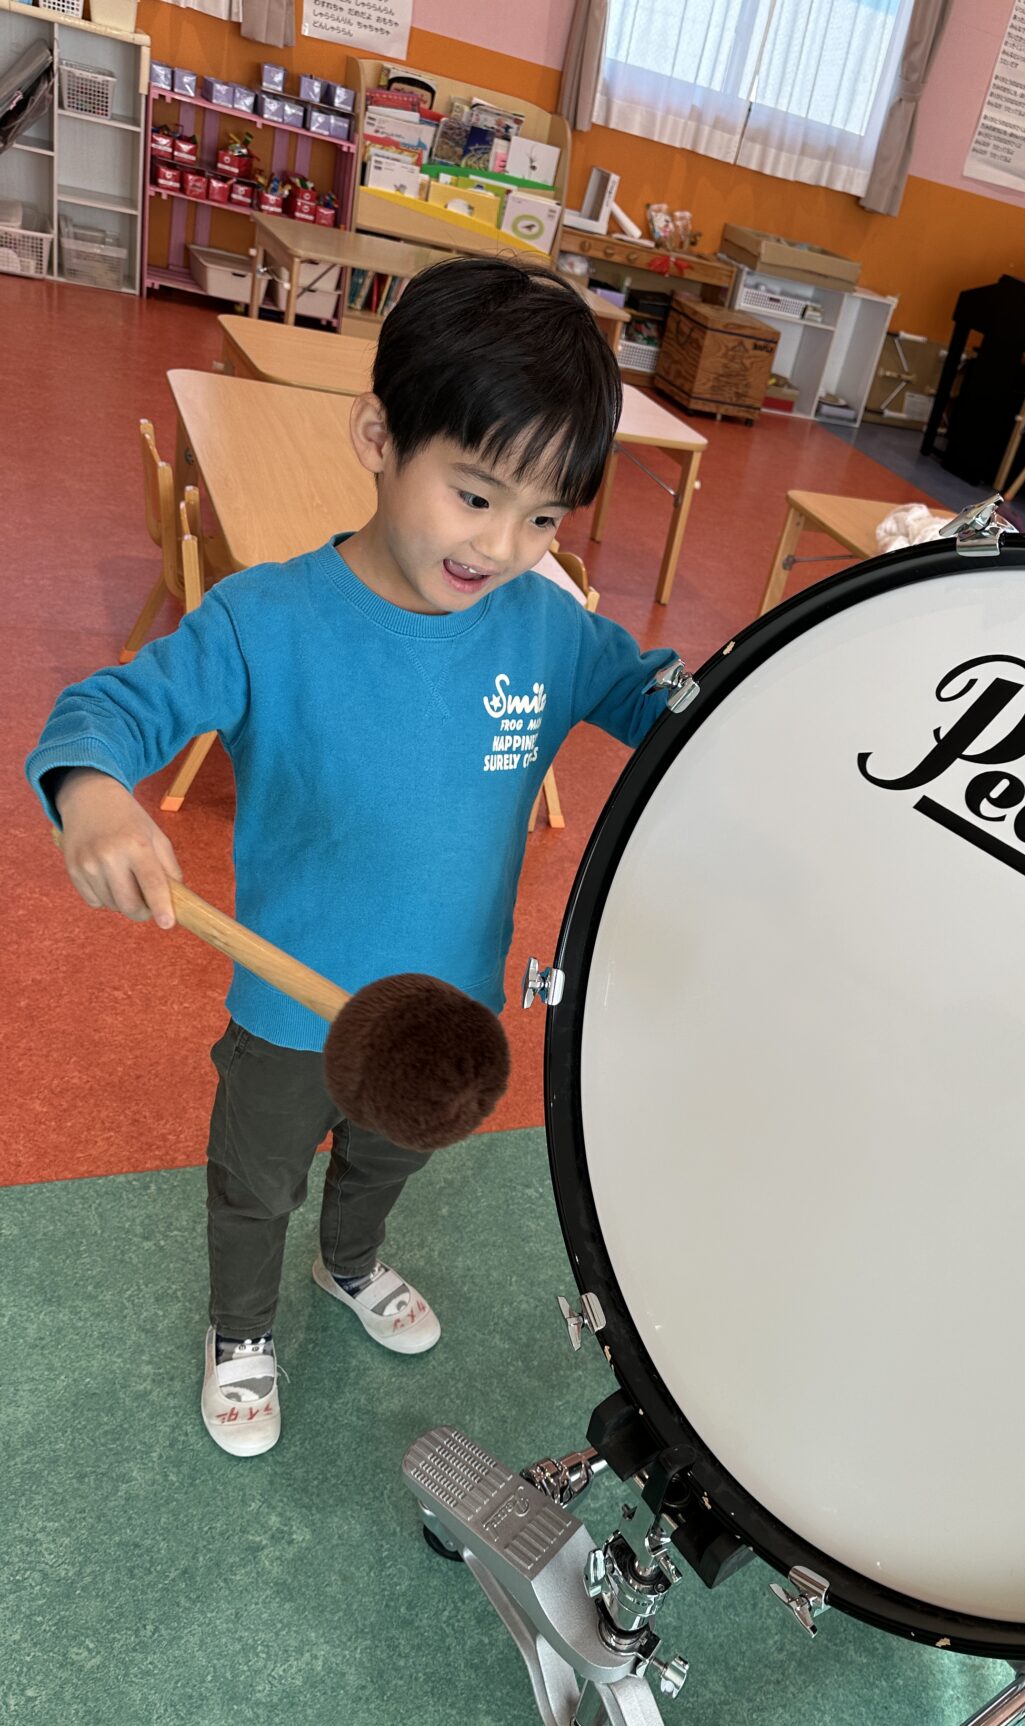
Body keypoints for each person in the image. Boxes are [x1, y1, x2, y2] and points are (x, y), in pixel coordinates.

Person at [26, 253, 685, 1458]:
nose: (505, 544)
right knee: (255, 1183)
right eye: (476, 495)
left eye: (545, 517)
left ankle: (351, 1261)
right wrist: (93, 791)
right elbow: (107, 710)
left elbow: (662, 705)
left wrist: (757, 707)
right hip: (289, 1010)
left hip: (442, 1008)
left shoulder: (547, 627)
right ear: (379, 437)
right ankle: (240, 1329)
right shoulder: (264, 619)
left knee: (388, 1160)